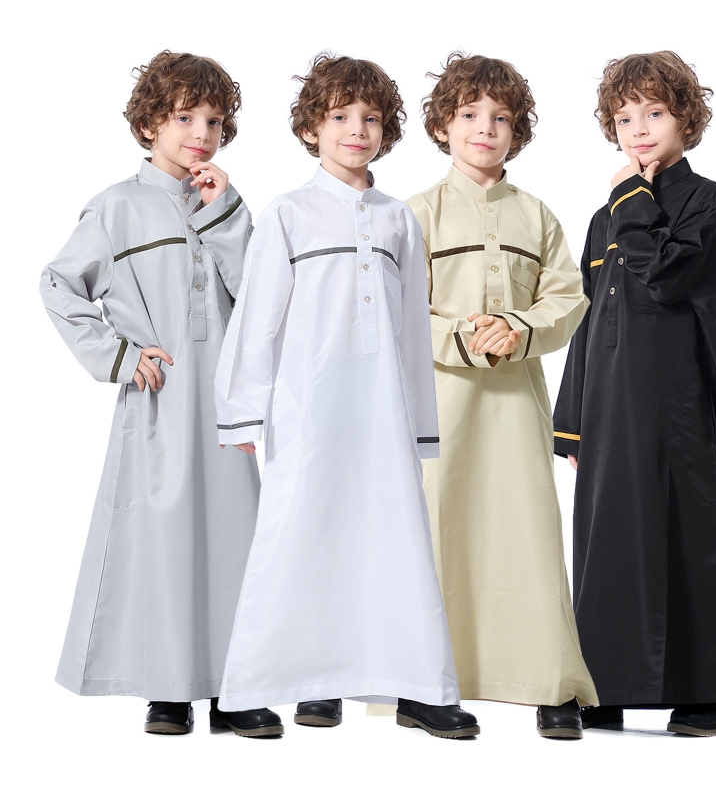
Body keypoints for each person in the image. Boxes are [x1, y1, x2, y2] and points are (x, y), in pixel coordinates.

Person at [213, 53, 479, 740]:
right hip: (307, 410)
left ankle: (418, 688)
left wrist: (419, 425)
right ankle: (248, 691)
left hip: (383, 415)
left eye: (370, 118)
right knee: (293, 540)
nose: (356, 130)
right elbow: (257, 319)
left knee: (395, 543)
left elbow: (411, 330)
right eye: (339, 117)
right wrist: (241, 412)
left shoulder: (397, 221)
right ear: (311, 128)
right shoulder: (288, 214)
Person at [40, 51, 265, 735]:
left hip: (224, 400)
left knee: (235, 538)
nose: (201, 133)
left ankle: (234, 688)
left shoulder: (226, 204)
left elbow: (259, 294)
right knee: (164, 539)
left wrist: (225, 210)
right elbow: (59, 284)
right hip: (161, 401)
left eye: (214, 121)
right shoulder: (117, 207)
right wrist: (120, 355)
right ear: (149, 124)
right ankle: (167, 690)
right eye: (185, 117)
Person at [553, 51, 716, 737]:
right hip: (609, 407)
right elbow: (587, 319)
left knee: (689, 535)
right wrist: (571, 421)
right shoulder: (603, 218)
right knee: (608, 542)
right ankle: (605, 684)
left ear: (685, 119)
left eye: (654, 113)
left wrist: (631, 200)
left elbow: (665, 277)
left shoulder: (703, 200)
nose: (638, 129)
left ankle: (714, 695)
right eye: (624, 117)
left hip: (679, 400)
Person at [406, 52, 598, 739]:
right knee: (438, 529)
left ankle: (550, 683)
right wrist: (463, 335)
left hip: (517, 402)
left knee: (528, 532)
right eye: (469, 115)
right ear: (441, 126)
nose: (484, 128)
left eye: (501, 118)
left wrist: (517, 328)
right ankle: (425, 683)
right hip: (441, 401)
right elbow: (397, 311)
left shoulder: (537, 215)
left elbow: (568, 298)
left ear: (517, 132)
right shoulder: (415, 215)